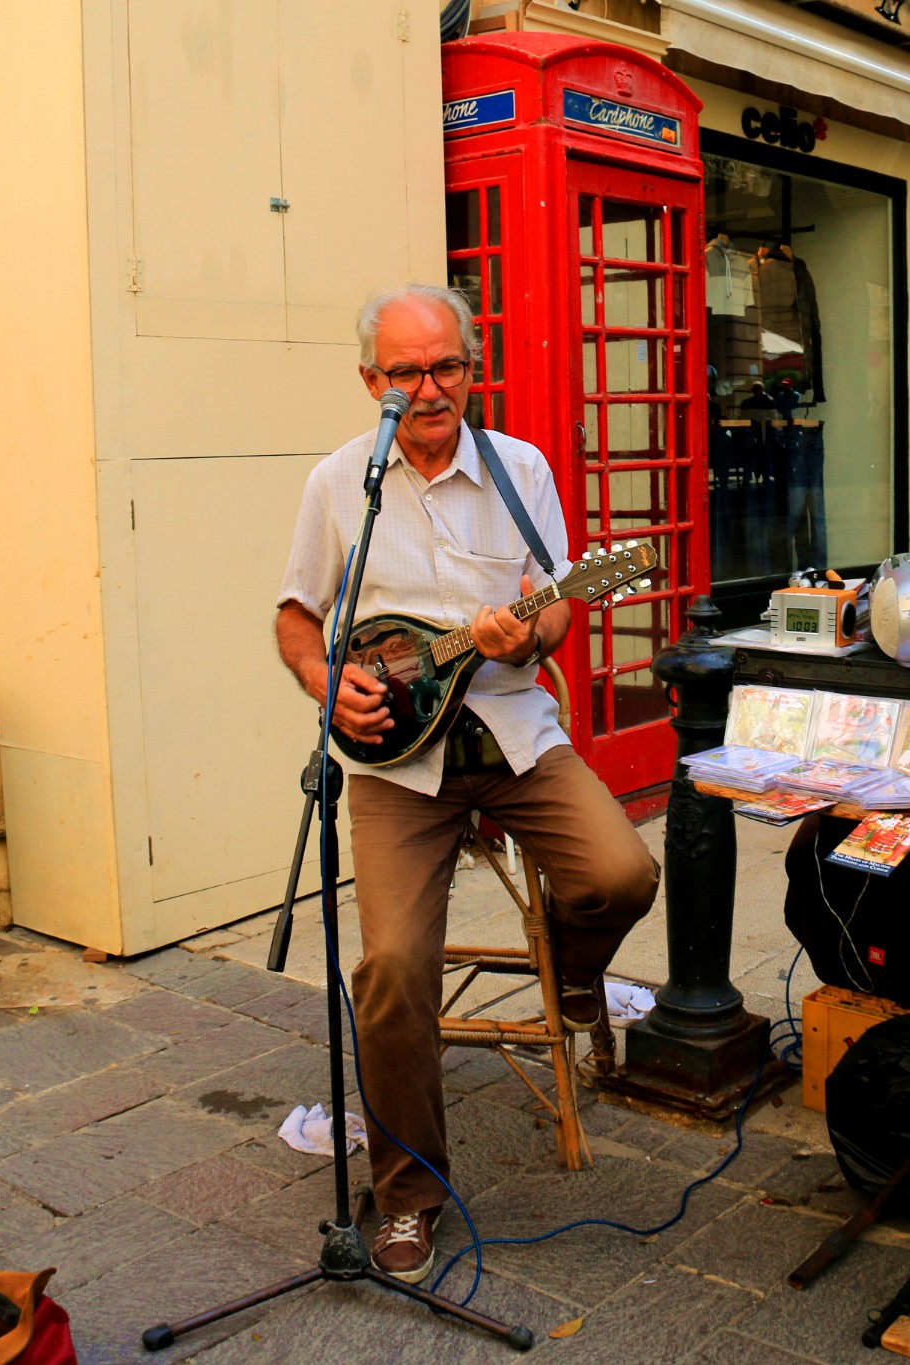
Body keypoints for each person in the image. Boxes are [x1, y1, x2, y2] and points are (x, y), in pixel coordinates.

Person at [274, 283, 660, 1285]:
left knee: (621, 876)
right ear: (373, 383)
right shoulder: (337, 485)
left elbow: (562, 611)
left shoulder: (518, 469)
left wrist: (527, 628)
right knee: (393, 970)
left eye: (444, 365)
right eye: (405, 372)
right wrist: (328, 685)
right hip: (399, 763)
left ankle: (573, 980)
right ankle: (405, 1196)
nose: (429, 386)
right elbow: (293, 616)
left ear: (469, 365)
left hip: (511, 732)